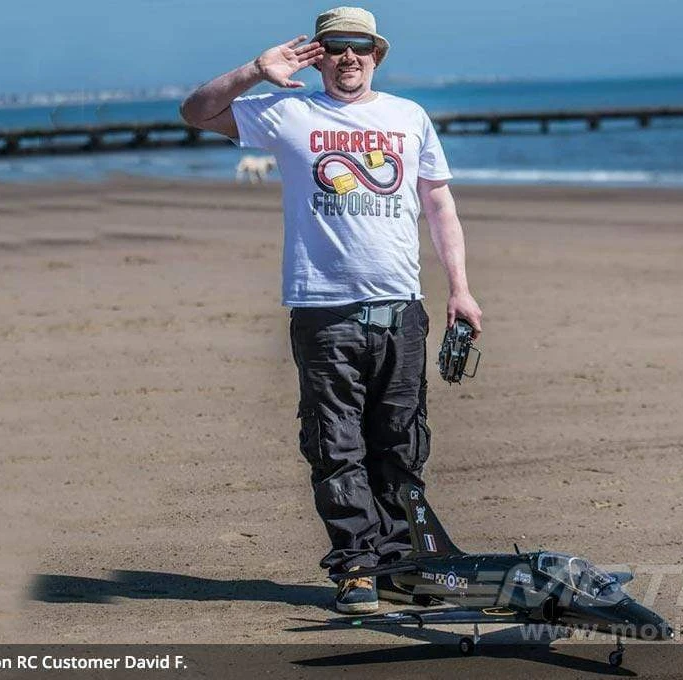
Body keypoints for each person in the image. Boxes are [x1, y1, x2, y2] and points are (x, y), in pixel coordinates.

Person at [179, 7, 482, 614]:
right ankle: (356, 567)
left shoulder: (408, 117)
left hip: (400, 307)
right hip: (322, 309)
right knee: (335, 441)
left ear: (376, 55)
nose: (349, 57)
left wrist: (460, 288)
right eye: (335, 47)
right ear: (318, 56)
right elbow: (196, 112)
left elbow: (439, 205)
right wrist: (253, 71)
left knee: (400, 443)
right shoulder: (286, 113)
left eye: (360, 47)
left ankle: (402, 564)